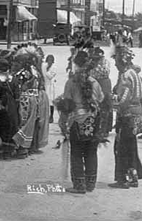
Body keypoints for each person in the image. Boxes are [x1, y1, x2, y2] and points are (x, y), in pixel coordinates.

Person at [58, 51, 104, 194]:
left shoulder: (71, 82)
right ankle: (90, 183)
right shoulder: (95, 82)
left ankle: (79, 185)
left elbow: (66, 104)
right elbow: (101, 99)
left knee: (77, 152)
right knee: (91, 151)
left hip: (76, 121)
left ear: (76, 64)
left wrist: (62, 121)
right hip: (93, 120)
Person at [109, 45, 142, 189]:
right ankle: (133, 177)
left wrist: (112, 102)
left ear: (122, 61)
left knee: (121, 147)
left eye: (117, 62)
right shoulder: (135, 74)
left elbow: (124, 99)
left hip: (127, 116)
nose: (116, 65)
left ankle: (123, 179)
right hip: (137, 115)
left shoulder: (125, 76)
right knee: (131, 147)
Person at [89, 47, 113, 137]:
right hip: (95, 85)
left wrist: (96, 65)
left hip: (104, 86)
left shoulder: (105, 62)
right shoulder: (91, 63)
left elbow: (104, 72)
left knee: (105, 109)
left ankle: (104, 129)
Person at [42, 55, 57, 123]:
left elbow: (50, 76)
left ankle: (51, 116)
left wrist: (47, 70)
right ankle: (45, 116)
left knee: (51, 101)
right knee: (44, 101)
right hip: (45, 85)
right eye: (48, 60)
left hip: (51, 86)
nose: (49, 62)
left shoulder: (54, 67)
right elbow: (42, 75)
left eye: (51, 60)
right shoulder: (44, 66)